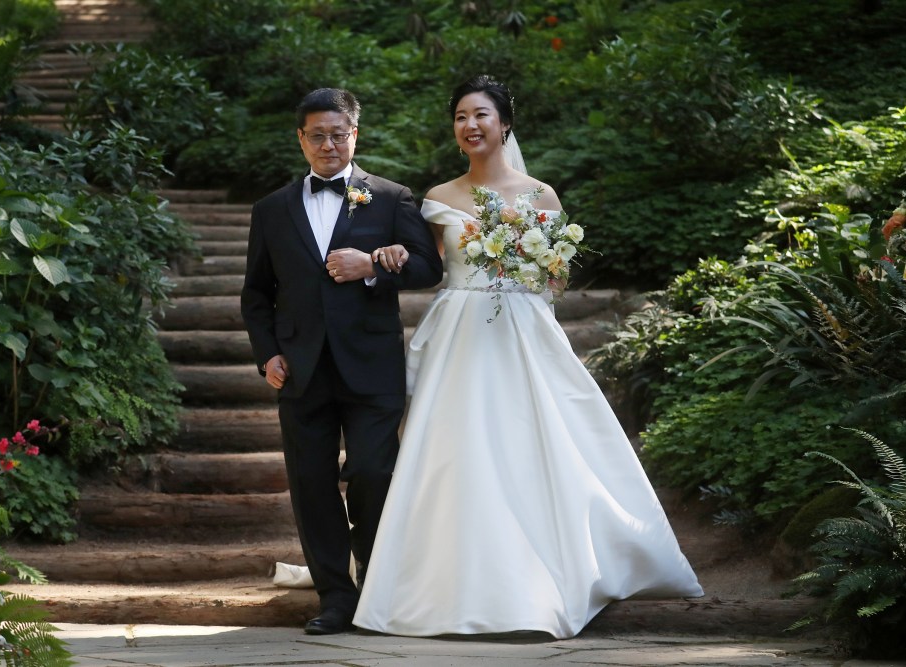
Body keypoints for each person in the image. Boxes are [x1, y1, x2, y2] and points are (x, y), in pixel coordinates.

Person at [352, 75, 704, 639]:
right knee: (453, 447)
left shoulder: (542, 196)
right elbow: (429, 267)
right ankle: (441, 579)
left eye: (481, 115)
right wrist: (389, 254)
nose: (470, 125)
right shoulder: (438, 196)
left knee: (535, 439)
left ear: (505, 124)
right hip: (459, 332)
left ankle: (552, 571)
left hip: (523, 327)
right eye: (461, 116)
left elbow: (556, 280)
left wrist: (526, 266)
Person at [241, 88, 444, 635]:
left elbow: (428, 268)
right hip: (300, 369)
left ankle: (376, 589)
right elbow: (256, 294)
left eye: (338, 134)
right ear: (301, 139)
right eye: (317, 135)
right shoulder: (271, 210)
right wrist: (268, 355)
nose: (328, 144)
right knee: (311, 483)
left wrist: (373, 265)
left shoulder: (392, 197)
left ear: (355, 134)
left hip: (371, 365)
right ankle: (336, 598)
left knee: (374, 473)